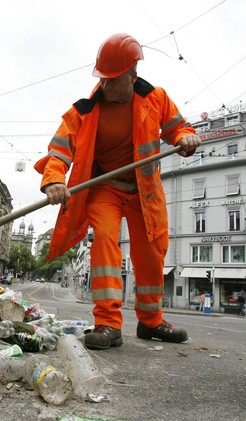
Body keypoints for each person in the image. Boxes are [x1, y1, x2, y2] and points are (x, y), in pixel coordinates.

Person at [35, 33, 202, 350]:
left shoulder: (156, 98)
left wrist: (185, 138)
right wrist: (54, 179)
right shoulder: (83, 111)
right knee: (105, 243)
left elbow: (179, 129)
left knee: (152, 253)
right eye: (102, 79)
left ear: (132, 75)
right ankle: (108, 324)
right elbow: (58, 151)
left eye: (113, 80)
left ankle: (151, 322)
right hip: (104, 188)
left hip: (144, 189)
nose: (105, 86)